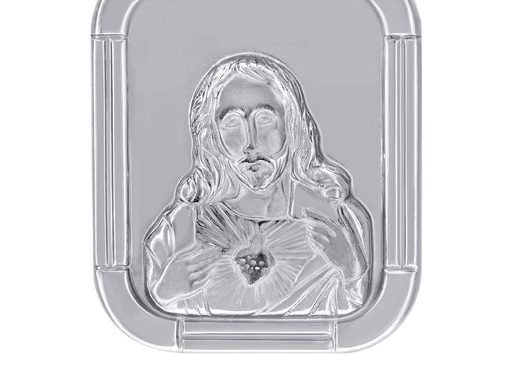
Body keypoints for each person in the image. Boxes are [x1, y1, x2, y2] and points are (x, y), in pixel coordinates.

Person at [144, 52, 372, 316]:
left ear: (292, 125)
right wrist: (165, 291)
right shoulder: (180, 227)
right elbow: (151, 310)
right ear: (212, 136)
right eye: (232, 123)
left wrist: (351, 270)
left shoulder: (340, 222)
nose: (249, 143)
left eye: (264, 119)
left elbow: (360, 310)